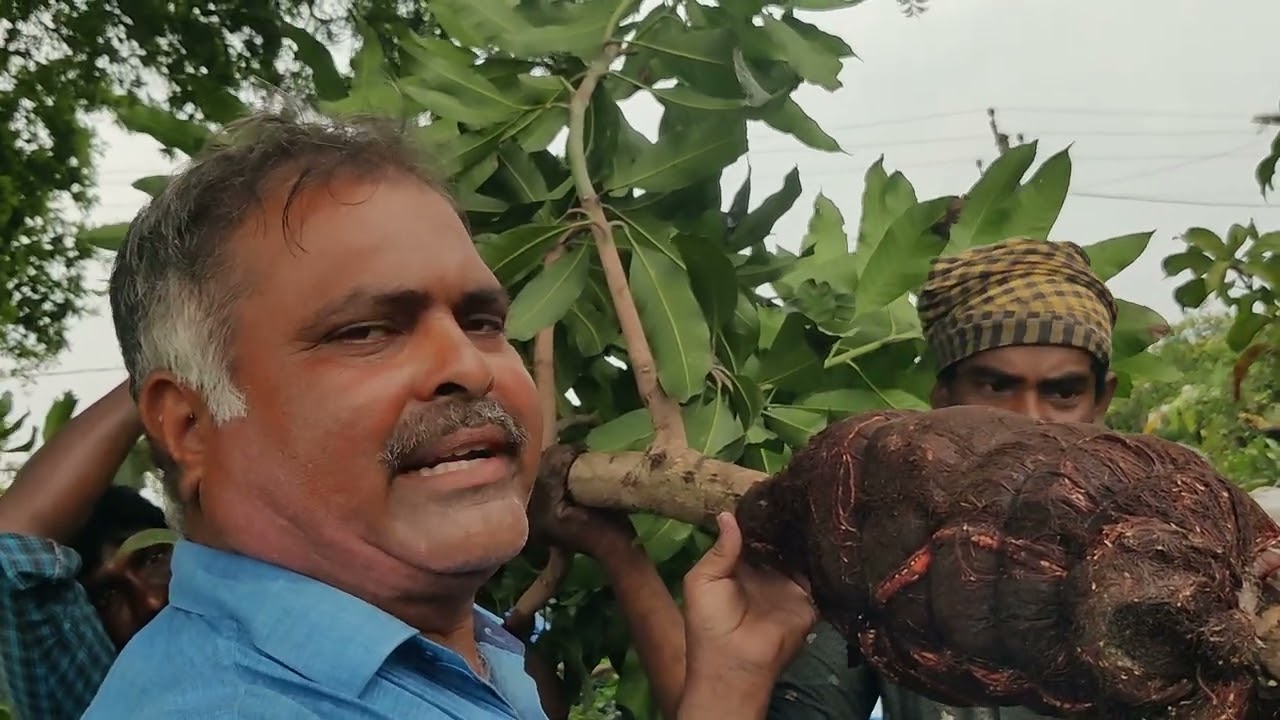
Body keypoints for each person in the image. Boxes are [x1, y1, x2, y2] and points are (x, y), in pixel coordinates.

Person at [80, 109, 816, 719]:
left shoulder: (445, 648)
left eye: (483, 321)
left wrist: (728, 680)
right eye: (366, 331)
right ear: (189, 427)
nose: (468, 365)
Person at [766, 236, 1119, 720]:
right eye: (996, 387)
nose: (1030, 423)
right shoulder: (878, 557)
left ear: (1101, 402)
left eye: (1063, 393)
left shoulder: (1165, 549)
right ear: (942, 400)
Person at [0, 381, 174, 720]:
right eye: (108, 596)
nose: (150, 602)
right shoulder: (100, 699)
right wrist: (153, 366)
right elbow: (12, 554)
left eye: (153, 559)